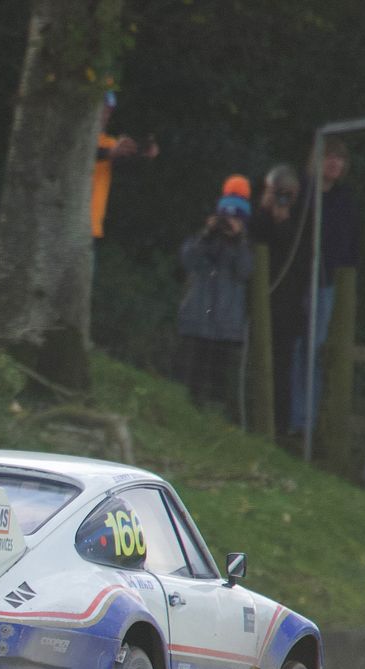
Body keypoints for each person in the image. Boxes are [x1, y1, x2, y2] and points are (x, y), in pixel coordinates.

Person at [297, 138, 360, 434]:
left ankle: (307, 420)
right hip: (298, 281)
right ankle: (293, 419)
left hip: (327, 283)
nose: (335, 163)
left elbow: (350, 241)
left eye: (340, 159)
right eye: (329, 157)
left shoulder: (344, 198)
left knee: (316, 349)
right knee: (297, 348)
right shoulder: (303, 194)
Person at [175, 182, 254, 416]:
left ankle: (213, 417)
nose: (227, 223)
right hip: (197, 321)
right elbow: (187, 260)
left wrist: (238, 240)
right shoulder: (202, 241)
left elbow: (245, 271)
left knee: (218, 380)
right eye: (223, 218)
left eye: (234, 219)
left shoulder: (245, 247)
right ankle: (186, 413)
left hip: (226, 326)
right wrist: (206, 234)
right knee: (191, 377)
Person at [248, 163, 311, 440]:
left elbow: (297, 256)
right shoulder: (257, 215)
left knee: (282, 366)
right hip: (259, 300)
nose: (283, 198)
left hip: (288, 303)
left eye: (288, 193)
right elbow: (253, 238)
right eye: (278, 192)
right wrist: (266, 210)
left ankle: (280, 427)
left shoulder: (301, 221)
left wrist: (284, 220)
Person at [92, 91, 158, 242]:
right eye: (102, 110)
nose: (105, 116)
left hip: (91, 225)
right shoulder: (75, 140)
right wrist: (109, 153)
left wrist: (143, 154)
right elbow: (87, 154)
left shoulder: (108, 142)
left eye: (108, 111)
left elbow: (125, 164)